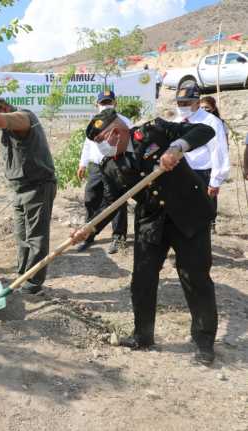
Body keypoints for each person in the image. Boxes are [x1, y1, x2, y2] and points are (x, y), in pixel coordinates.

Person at [71, 109, 217, 365]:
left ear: (116, 133)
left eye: (101, 141)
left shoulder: (154, 131)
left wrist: (177, 148)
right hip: (151, 221)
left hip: (188, 214)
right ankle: (143, 335)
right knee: (142, 279)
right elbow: (111, 202)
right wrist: (89, 228)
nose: (101, 148)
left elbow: (205, 131)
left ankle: (204, 341)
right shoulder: (111, 166)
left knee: (194, 277)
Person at [0, 95, 56, 294]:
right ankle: (23, 278)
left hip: (37, 187)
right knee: (22, 237)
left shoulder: (23, 118)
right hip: (19, 189)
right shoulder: (8, 126)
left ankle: (32, 284)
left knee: (36, 238)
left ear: (5, 107)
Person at [75, 90, 132, 254]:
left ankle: (119, 237)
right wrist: (82, 164)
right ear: (97, 105)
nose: (106, 105)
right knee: (91, 198)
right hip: (96, 166)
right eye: (103, 103)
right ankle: (89, 234)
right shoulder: (94, 122)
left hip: (115, 165)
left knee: (117, 201)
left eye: (109, 102)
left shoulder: (124, 121)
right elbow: (87, 145)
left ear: (115, 103)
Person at [175, 84, 230, 232]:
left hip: (201, 175)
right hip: (180, 173)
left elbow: (219, 152)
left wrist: (215, 181)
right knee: (182, 214)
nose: (182, 106)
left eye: (186, 103)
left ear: (197, 103)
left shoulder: (211, 122)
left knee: (201, 217)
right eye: (180, 103)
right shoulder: (177, 120)